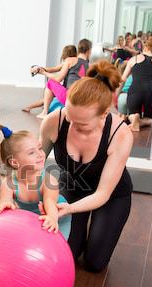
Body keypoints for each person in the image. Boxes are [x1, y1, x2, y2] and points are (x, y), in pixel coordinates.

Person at [39, 60, 133, 272]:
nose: (73, 126)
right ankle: (77, 236)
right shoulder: (54, 121)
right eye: (70, 118)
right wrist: (22, 195)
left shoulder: (120, 134)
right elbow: (34, 167)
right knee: (65, 255)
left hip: (110, 196)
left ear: (103, 114)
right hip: (71, 186)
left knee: (94, 263)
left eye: (82, 124)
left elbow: (102, 194)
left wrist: (67, 210)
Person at [0, 125, 71, 240]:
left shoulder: (48, 180)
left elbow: (49, 202)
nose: (40, 154)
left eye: (40, 148)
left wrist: (52, 218)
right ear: (15, 162)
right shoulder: (8, 182)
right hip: (30, 218)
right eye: (31, 153)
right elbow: (4, 200)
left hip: (56, 217)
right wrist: (4, 205)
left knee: (50, 245)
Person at [37, 39, 92, 119]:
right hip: (81, 100)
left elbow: (58, 78)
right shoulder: (90, 66)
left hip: (69, 98)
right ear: (89, 51)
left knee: (51, 82)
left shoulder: (70, 60)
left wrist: (44, 73)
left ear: (79, 49)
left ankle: (45, 112)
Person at [117, 35, 152, 131]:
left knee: (131, 114)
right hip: (151, 91)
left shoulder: (134, 59)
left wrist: (115, 96)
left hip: (135, 90)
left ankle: (133, 118)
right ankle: (141, 122)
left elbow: (122, 79)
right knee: (150, 119)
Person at [23, 45, 77, 113]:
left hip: (67, 92)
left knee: (49, 92)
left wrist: (42, 71)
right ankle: (29, 107)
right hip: (66, 90)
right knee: (48, 97)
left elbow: (54, 71)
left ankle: (38, 109)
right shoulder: (70, 63)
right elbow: (53, 69)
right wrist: (39, 69)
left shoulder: (68, 62)